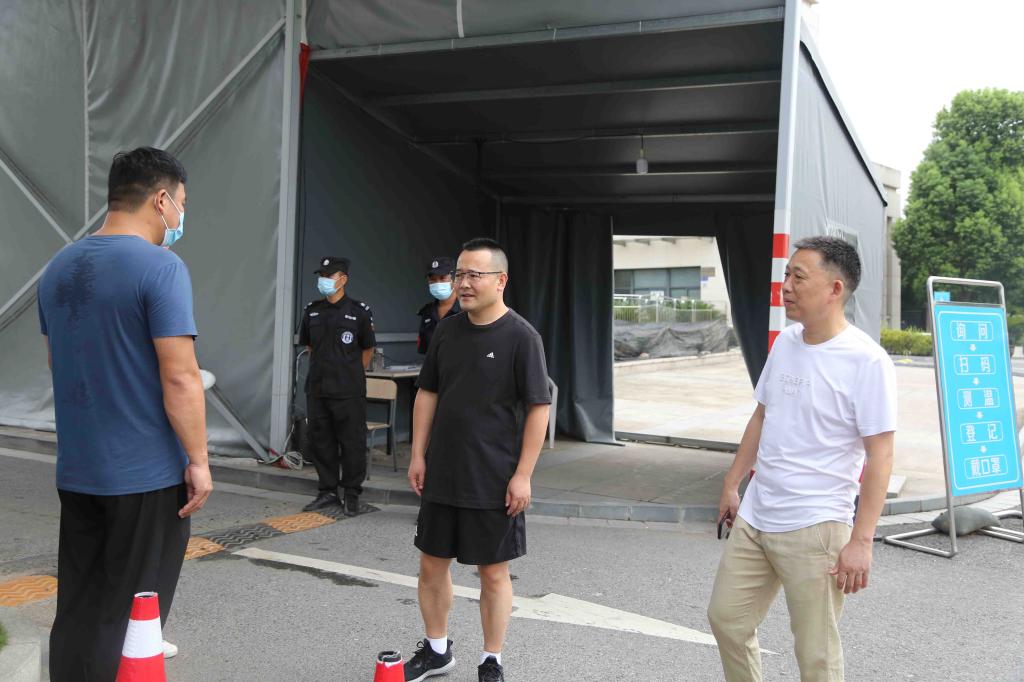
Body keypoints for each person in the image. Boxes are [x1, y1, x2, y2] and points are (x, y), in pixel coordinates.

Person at [38, 147, 213, 680]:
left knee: (80, 605)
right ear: (161, 200)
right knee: (134, 618)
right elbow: (180, 377)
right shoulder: (161, 267)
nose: (180, 216)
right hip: (145, 476)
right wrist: (199, 460)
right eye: (182, 204)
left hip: (78, 470)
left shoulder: (58, 267)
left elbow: (59, 363)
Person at [707, 236, 897, 681]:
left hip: (817, 525)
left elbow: (881, 454)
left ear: (835, 288)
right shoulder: (786, 343)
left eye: (798, 276)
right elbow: (762, 415)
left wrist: (862, 541)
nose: (786, 286)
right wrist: (733, 483)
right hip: (757, 515)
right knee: (727, 619)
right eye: (786, 274)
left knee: (816, 653)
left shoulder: (867, 361)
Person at [403, 238, 552, 682]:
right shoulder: (447, 330)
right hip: (442, 471)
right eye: (459, 275)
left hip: (493, 477)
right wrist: (417, 454)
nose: (462, 284)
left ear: (500, 280)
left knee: (493, 573)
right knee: (431, 564)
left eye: (474, 275)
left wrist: (523, 475)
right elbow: (427, 393)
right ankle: (436, 651)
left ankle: (491, 660)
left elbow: (538, 408)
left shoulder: (522, 337)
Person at [298, 256, 375, 516]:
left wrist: (348, 373)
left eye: (328, 276)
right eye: (321, 275)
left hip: (348, 391)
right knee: (321, 442)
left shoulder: (359, 311)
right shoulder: (312, 311)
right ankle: (327, 491)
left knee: (352, 443)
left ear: (343, 279)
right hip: (318, 389)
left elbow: (367, 349)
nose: (323, 280)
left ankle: (351, 493)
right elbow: (310, 346)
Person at [417, 256, 461, 355]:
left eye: (442, 278)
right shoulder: (427, 313)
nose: (437, 283)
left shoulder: (467, 310)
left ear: (454, 279)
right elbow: (424, 350)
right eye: (432, 279)